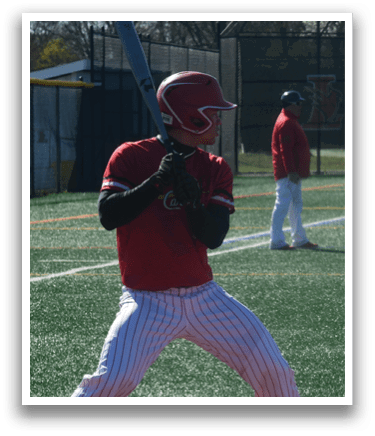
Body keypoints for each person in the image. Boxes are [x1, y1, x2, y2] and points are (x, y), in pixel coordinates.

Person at [71, 72, 300, 397]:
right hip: (146, 300)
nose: (219, 121)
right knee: (110, 382)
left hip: (204, 297)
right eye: (214, 113)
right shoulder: (131, 156)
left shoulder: (216, 167)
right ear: (192, 116)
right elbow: (109, 216)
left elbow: (214, 236)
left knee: (273, 371)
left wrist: (193, 203)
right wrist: (156, 183)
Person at [269, 90, 319, 250]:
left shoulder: (289, 120)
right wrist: (291, 171)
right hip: (288, 174)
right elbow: (286, 150)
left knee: (295, 206)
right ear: (291, 105)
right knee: (283, 205)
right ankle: (276, 241)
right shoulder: (286, 122)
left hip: (292, 173)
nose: (301, 106)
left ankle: (299, 239)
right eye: (298, 103)